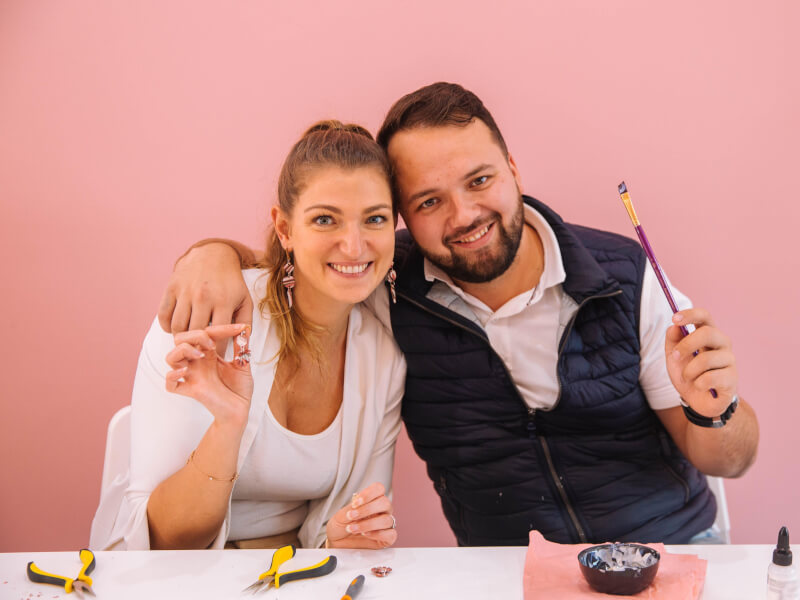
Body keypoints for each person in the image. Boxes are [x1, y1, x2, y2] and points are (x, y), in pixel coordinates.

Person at [157, 83, 759, 546]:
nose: (464, 215)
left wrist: (717, 410)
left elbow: (732, 458)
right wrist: (212, 254)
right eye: (428, 201)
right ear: (402, 219)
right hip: (505, 574)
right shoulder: (389, 288)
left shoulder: (626, 276)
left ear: (513, 169)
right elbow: (312, 259)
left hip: (673, 554)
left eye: (479, 180)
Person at [90, 121, 406, 551]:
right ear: (284, 229)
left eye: (374, 218)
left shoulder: (384, 356)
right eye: (325, 219)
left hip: (294, 580)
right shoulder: (211, 312)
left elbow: (344, 525)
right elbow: (164, 541)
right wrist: (228, 425)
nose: (353, 246)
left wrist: (344, 534)